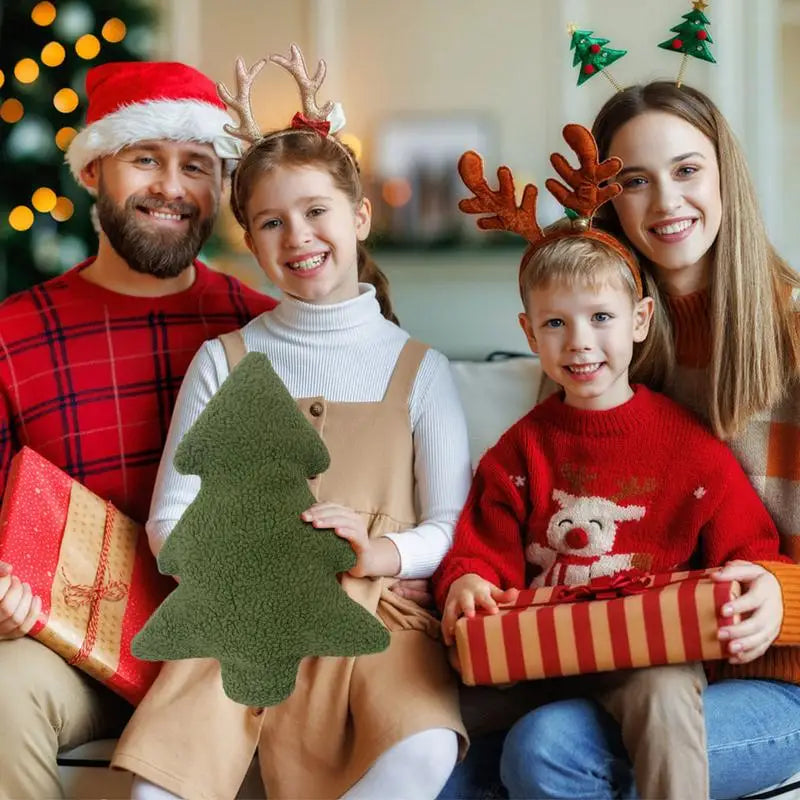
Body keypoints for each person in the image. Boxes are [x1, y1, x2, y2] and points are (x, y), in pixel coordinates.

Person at [110, 47, 473, 800]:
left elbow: (448, 523)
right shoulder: (227, 359)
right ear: (251, 241)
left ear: (359, 215)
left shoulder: (420, 370)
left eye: (316, 212)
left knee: (424, 748)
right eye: (271, 222)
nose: (298, 237)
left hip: (380, 619)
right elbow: (170, 519)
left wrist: (381, 552)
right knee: (160, 784)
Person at [432, 128, 787, 800]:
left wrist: (751, 581)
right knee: (437, 729)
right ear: (528, 333)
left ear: (640, 321)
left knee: (663, 692)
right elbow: (482, 549)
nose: (580, 343)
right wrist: (467, 584)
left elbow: (749, 549)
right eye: (556, 325)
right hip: (542, 653)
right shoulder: (521, 449)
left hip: (648, 652)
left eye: (600, 317)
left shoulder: (690, 448)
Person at [0, 60, 278, 800]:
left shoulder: (261, 325)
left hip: (227, 646)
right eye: (145, 159)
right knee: (2, 686)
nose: (173, 188)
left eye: (197, 165)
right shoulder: (11, 336)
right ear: (94, 169)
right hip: (76, 652)